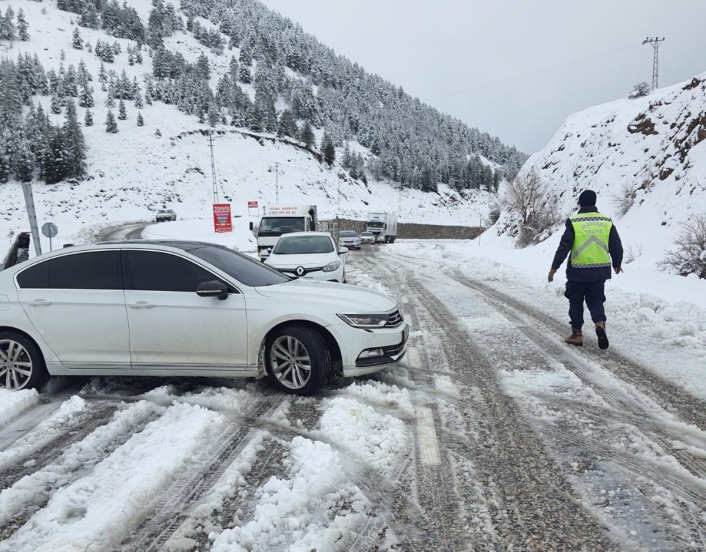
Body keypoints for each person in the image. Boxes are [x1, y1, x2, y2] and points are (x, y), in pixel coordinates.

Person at [548, 190, 623, 349]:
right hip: (599, 270)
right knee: (596, 299)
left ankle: (577, 335)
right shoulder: (606, 221)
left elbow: (564, 247)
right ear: (595, 203)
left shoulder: (574, 221)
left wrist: (554, 267)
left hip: (578, 271)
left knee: (576, 301)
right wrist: (617, 263)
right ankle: (600, 323)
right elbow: (616, 245)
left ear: (580, 203)